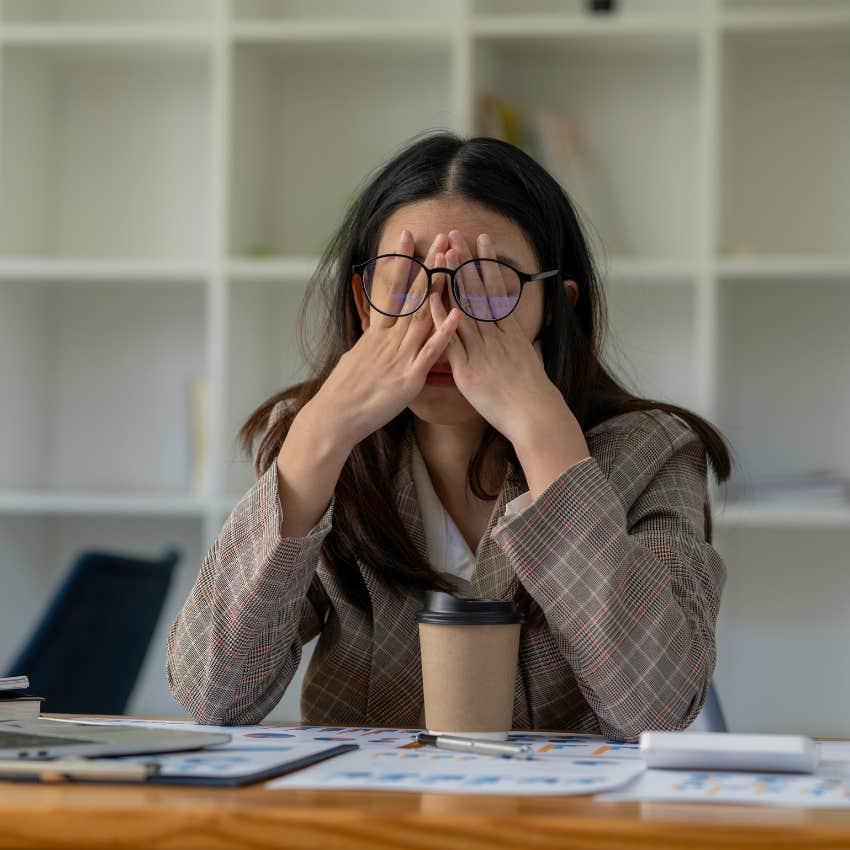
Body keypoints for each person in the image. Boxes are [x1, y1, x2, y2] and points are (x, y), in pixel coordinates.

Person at [166, 132, 732, 741]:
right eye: (405, 279)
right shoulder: (320, 446)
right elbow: (212, 694)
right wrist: (318, 437)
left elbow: (657, 709)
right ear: (362, 301)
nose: (441, 318)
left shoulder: (653, 452)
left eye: (486, 282)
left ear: (555, 307)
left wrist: (548, 442)